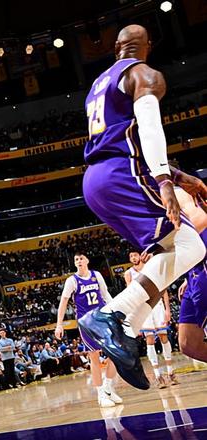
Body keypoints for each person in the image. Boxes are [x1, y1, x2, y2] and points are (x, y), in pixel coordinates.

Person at [78, 24, 207, 390]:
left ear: (116, 49)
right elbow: (149, 130)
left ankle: (127, 333)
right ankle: (111, 315)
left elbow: (122, 138)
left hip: (95, 180)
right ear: (148, 46)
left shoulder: (98, 85)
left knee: (170, 255)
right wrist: (165, 181)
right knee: (192, 246)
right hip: (123, 173)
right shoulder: (145, 74)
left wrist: (181, 178)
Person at [56, 252, 123, 407]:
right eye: (76, 259)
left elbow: (106, 295)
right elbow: (63, 302)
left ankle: (108, 388)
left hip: (102, 318)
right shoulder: (72, 280)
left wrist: (117, 312)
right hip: (86, 322)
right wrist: (59, 324)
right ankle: (101, 394)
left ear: (87, 260)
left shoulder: (96, 275)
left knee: (115, 353)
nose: (79, 261)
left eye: (81, 258)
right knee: (94, 357)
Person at [125, 251, 178, 388]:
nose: (133, 258)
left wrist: (167, 309)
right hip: (143, 308)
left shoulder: (151, 267)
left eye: (135, 255)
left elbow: (164, 289)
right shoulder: (129, 274)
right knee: (149, 340)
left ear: (140, 256)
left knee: (163, 337)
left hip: (157, 305)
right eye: (131, 256)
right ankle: (158, 376)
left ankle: (171, 373)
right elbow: (130, 295)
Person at [174, 187, 207, 361]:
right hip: (195, 270)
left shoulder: (176, 191)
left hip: (204, 268)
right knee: (189, 343)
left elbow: (200, 219)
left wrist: (164, 246)